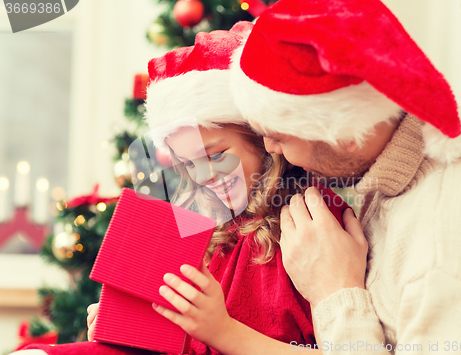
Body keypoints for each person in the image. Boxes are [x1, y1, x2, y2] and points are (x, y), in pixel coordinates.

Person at [14, 22, 350, 355]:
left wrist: (222, 331)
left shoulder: (313, 220)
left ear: (260, 140)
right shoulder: (201, 230)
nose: (203, 175)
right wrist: (125, 329)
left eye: (216, 154)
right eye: (188, 163)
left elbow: (348, 346)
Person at [230, 0, 461, 353]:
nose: (271, 149)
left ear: (342, 132)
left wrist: (334, 292)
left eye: (279, 136)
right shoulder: (402, 147)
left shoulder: (444, 261)